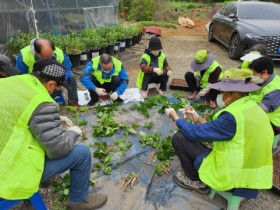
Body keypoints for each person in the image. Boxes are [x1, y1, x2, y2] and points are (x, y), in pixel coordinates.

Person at [0, 59, 107, 209]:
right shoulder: (41, 101)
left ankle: (44, 181)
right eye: (58, 87)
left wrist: (54, 118)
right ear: (50, 84)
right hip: (6, 175)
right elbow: (57, 150)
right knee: (82, 153)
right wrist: (72, 133)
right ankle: (78, 201)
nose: (57, 91)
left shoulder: (14, 81)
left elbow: (18, 116)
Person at [165, 68, 273, 194]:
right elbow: (220, 130)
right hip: (253, 177)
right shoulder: (252, 107)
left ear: (233, 93)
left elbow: (195, 133)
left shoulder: (232, 117)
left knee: (179, 138)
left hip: (234, 178)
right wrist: (197, 118)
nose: (220, 95)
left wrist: (175, 117)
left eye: (223, 92)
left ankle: (195, 181)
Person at [16, 38, 80, 106]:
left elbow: (67, 69)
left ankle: (73, 101)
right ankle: (42, 104)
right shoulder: (24, 56)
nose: (48, 61)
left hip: (54, 78)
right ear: (36, 52)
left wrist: (59, 81)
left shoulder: (59, 53)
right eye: (44, 58)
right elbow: (21, 76)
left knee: (71, 77)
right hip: (35, 79)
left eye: (50, 57)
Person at [249, 56, 280, 135]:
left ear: (264, 72)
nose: (252, 77)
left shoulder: (275, 90)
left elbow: (261, 111)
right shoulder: (267, 80)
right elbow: (257, 96)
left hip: (273, 122)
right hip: (265, 116)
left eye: (254, 74)